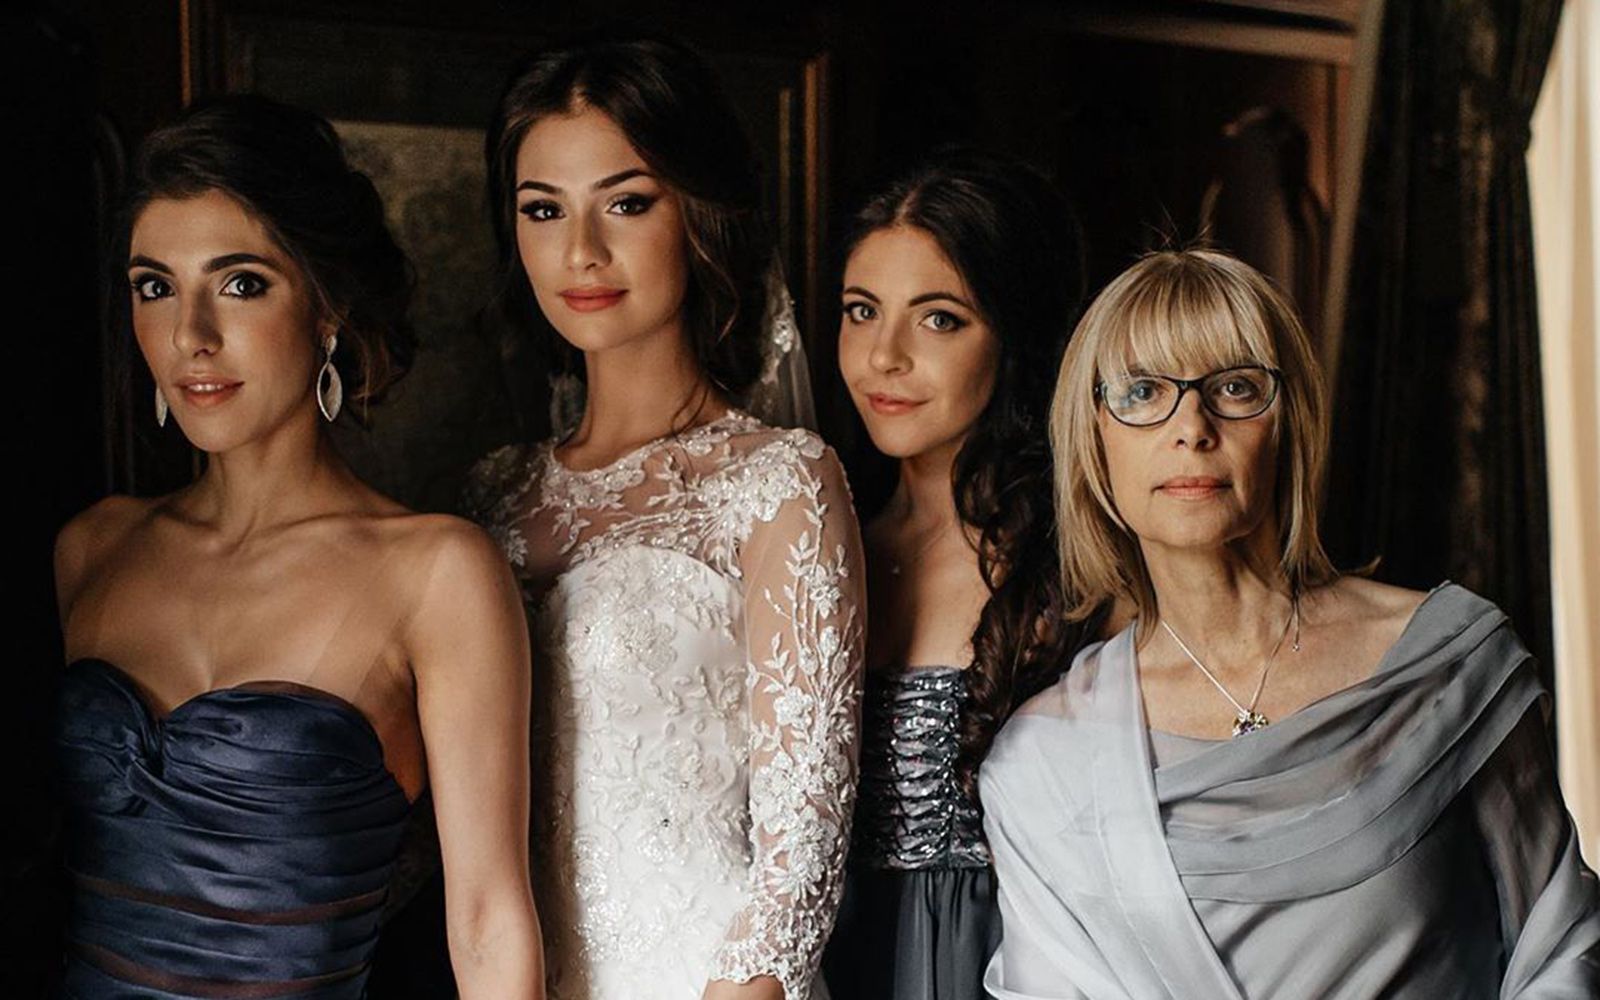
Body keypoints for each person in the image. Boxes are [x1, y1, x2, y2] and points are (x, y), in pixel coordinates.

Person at [980, 247, 1600, 998]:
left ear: (1290, 422)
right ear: (1094, 440)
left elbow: (1562, 946)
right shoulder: (1042, 763)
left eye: (1235, 387)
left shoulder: (1452, 663)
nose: (1192, 427)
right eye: (1142, 392)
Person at [52, 95, 544, 999]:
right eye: (155, 287)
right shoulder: (92, 549)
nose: (190, 336)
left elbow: (487, 922)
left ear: (328, 308)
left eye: (240, 284)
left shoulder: (437, 571)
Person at [463, 33, 865, 1000]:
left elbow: (802, 856)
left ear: (700, 217)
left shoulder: (779, 483)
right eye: (543, 209)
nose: (581, 250)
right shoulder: (489, 497)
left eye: (627, 203)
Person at [821, 148, 1100, 1000]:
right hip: (831, 959)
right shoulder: (820, 548)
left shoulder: (1083, 565)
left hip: (1005, 962)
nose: (884, 356)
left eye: (938, 319)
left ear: (1014, 336)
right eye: (861, 311)